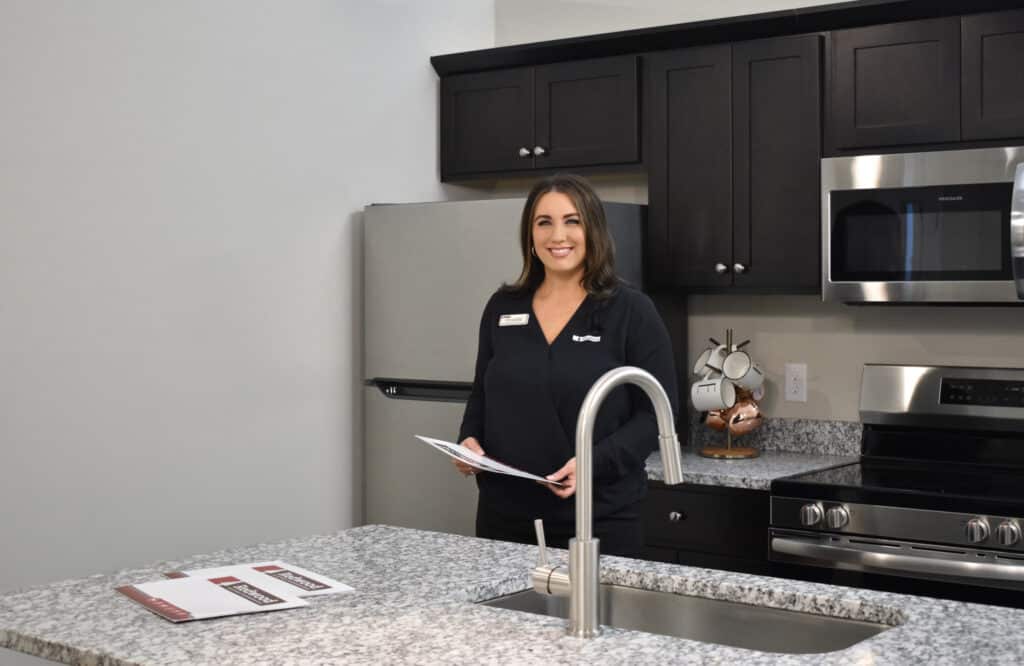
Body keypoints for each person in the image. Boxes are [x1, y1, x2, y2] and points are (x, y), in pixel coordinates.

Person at [452, 173, 679, 558]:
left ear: (593, 230)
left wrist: (593, 462)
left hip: (599, 519)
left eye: (572, 221)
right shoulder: (503, 307)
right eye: (545, 222)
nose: (558, 236)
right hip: (503, 519)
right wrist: (468, 440)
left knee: (599, 619)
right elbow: (482, 394)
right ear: (530, 234)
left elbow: (658, 413)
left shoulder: (630, 311)